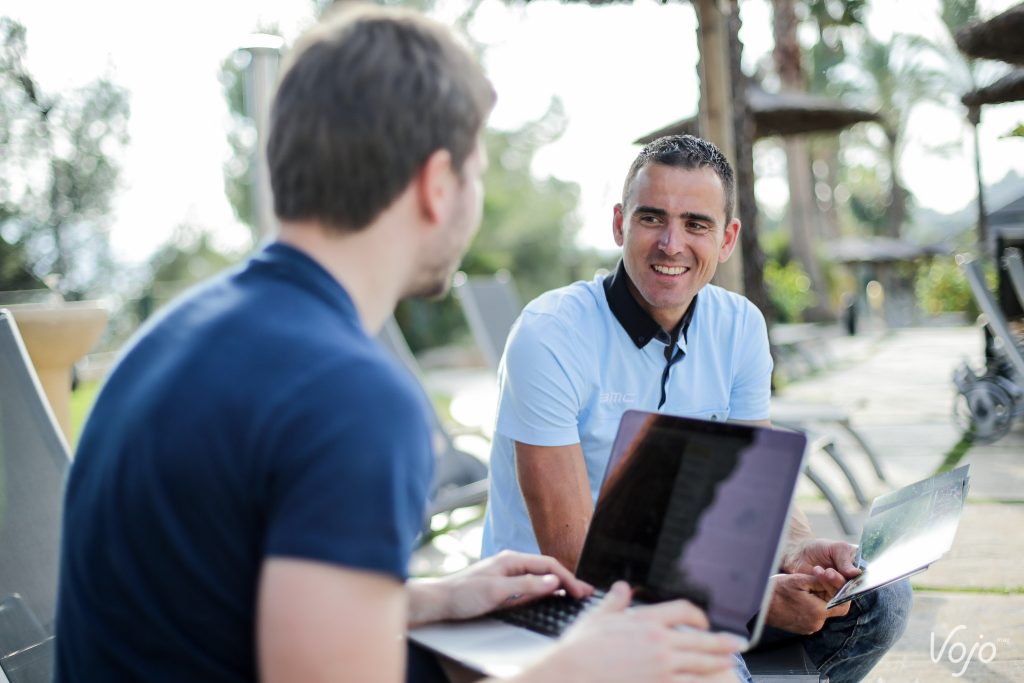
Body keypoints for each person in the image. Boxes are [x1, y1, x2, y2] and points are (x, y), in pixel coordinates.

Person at [54, 8, 745, 683]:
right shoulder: (349, 395)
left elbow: (223, 606)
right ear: (435, 185)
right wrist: (576, 668)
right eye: (476, 173)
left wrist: (429, 596)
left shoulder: (170, 339)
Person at [480, 134, 912, 683]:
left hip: (688, 587)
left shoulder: (740, 327)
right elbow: (573, 557)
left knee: (881, 600)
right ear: (619, 224)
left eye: (696, 225)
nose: (671, 243)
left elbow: (752, 497)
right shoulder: (550, 336)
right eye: (651, 218)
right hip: (557, 607)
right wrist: (747, 603)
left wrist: (799, 550)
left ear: (728, 238)